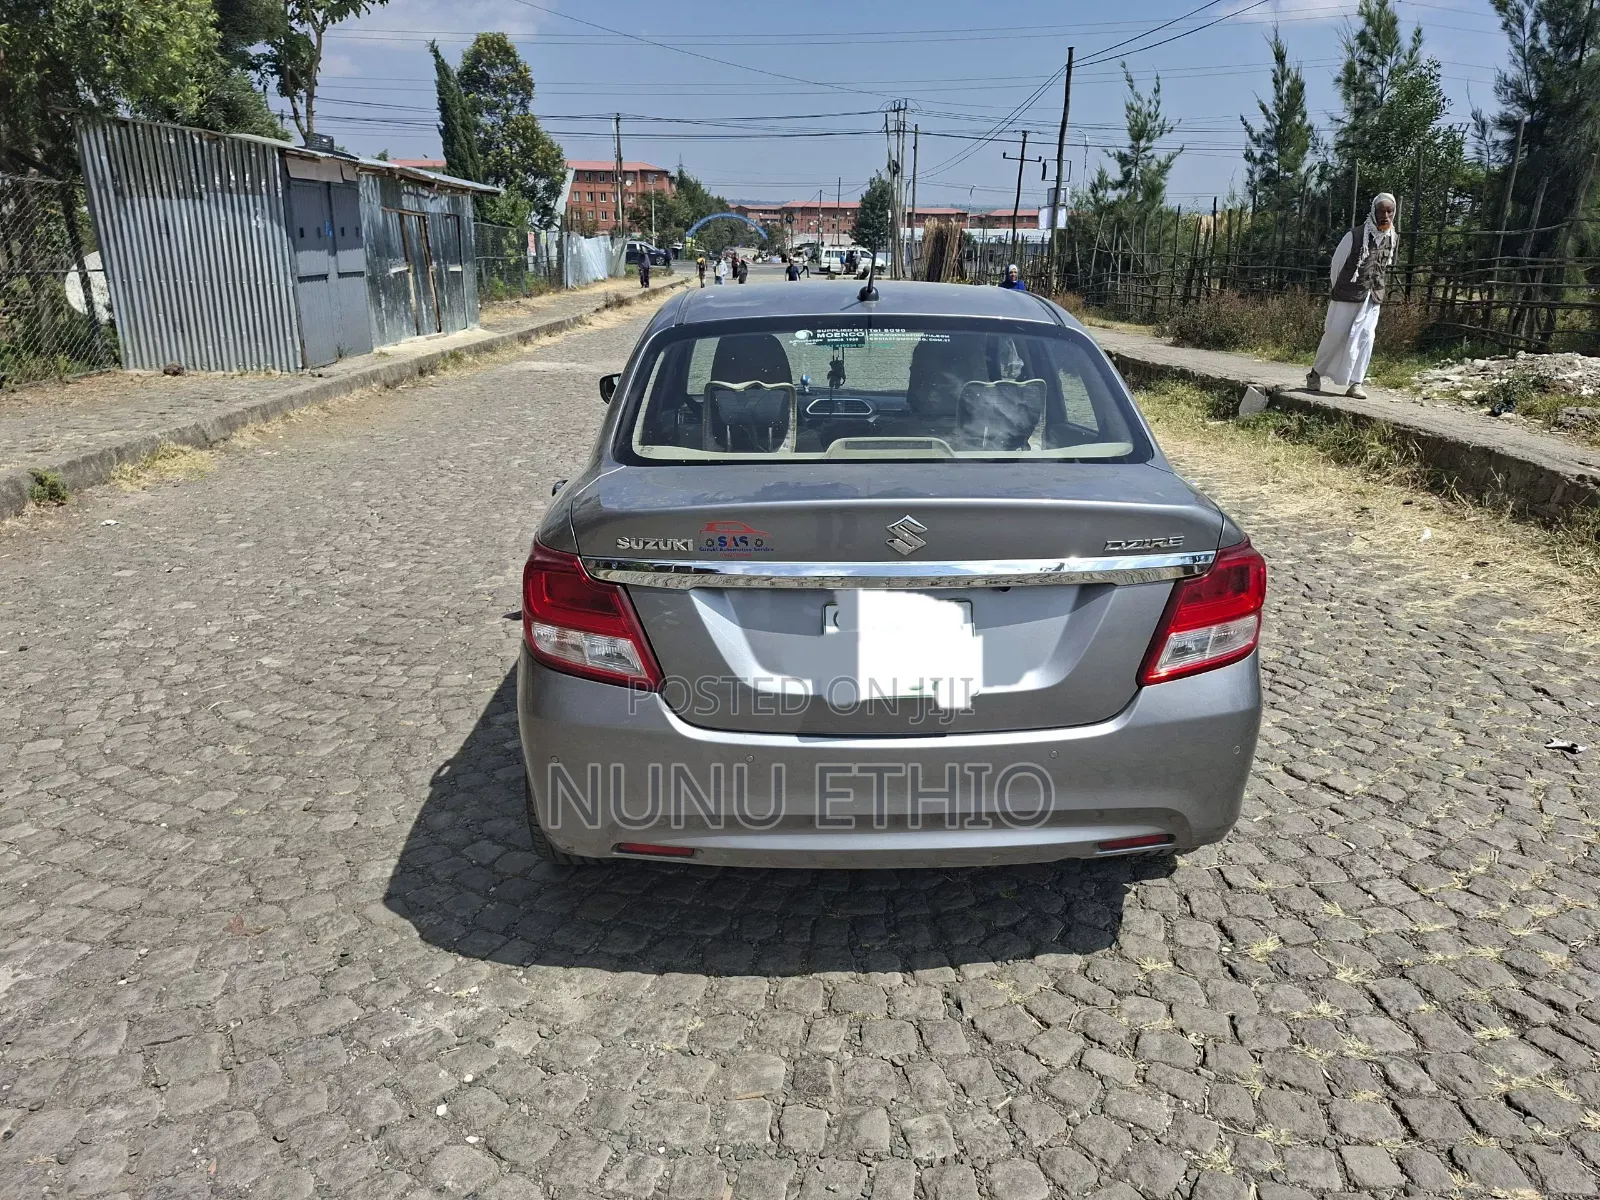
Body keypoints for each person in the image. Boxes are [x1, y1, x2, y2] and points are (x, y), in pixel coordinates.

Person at [1308, 193, 1398, 400]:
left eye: (1389, 211)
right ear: (1373, 212)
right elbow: (1336, 266)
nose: (1385, 216)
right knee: (1336, 334)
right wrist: (1340, 290)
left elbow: (1384, 266)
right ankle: (1315, 374)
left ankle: (1356, 383)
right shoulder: (1355, 235)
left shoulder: (1392, 237)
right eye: (1381, 211)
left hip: (1372, 297)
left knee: (1366, 337)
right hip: (1346, 295)